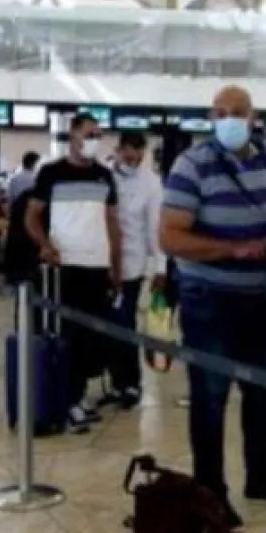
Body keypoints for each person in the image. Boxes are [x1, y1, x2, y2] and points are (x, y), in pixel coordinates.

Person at [161, 85, 266, 526]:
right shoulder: (192, 164)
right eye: (220, 113)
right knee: (210, 397)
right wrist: (236, 250)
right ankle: (212, 492)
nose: (228, 119)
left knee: (262, 395)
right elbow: (170, 237)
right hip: (209, 300)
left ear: (253, 116)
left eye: (237, 113)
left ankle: (261, 481)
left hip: (263, 299)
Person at [26, 113, 123, 433]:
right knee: (64, 335)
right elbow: (32, 217)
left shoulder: (105, 177)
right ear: (73, 136)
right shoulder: (51, 173)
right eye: (89, 133)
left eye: (98, 134)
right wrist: (45, 245)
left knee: (90, 339)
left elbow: (111, 223)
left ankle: (78, 396)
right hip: (64, 267)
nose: (94, 139)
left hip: (97, 267)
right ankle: (64, 400)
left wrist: (116, 266)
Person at [106, 130, 165, 410]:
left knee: (124, 323)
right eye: (128, 151)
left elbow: (155, 228)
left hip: (131, 265)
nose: (133, 157)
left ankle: (129, 383)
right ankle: (111, 380)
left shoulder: (151, 184)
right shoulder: (104, 175)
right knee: (103, 325)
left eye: (138, 153)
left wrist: (160, 267)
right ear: (118, 149)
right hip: (99, 262)